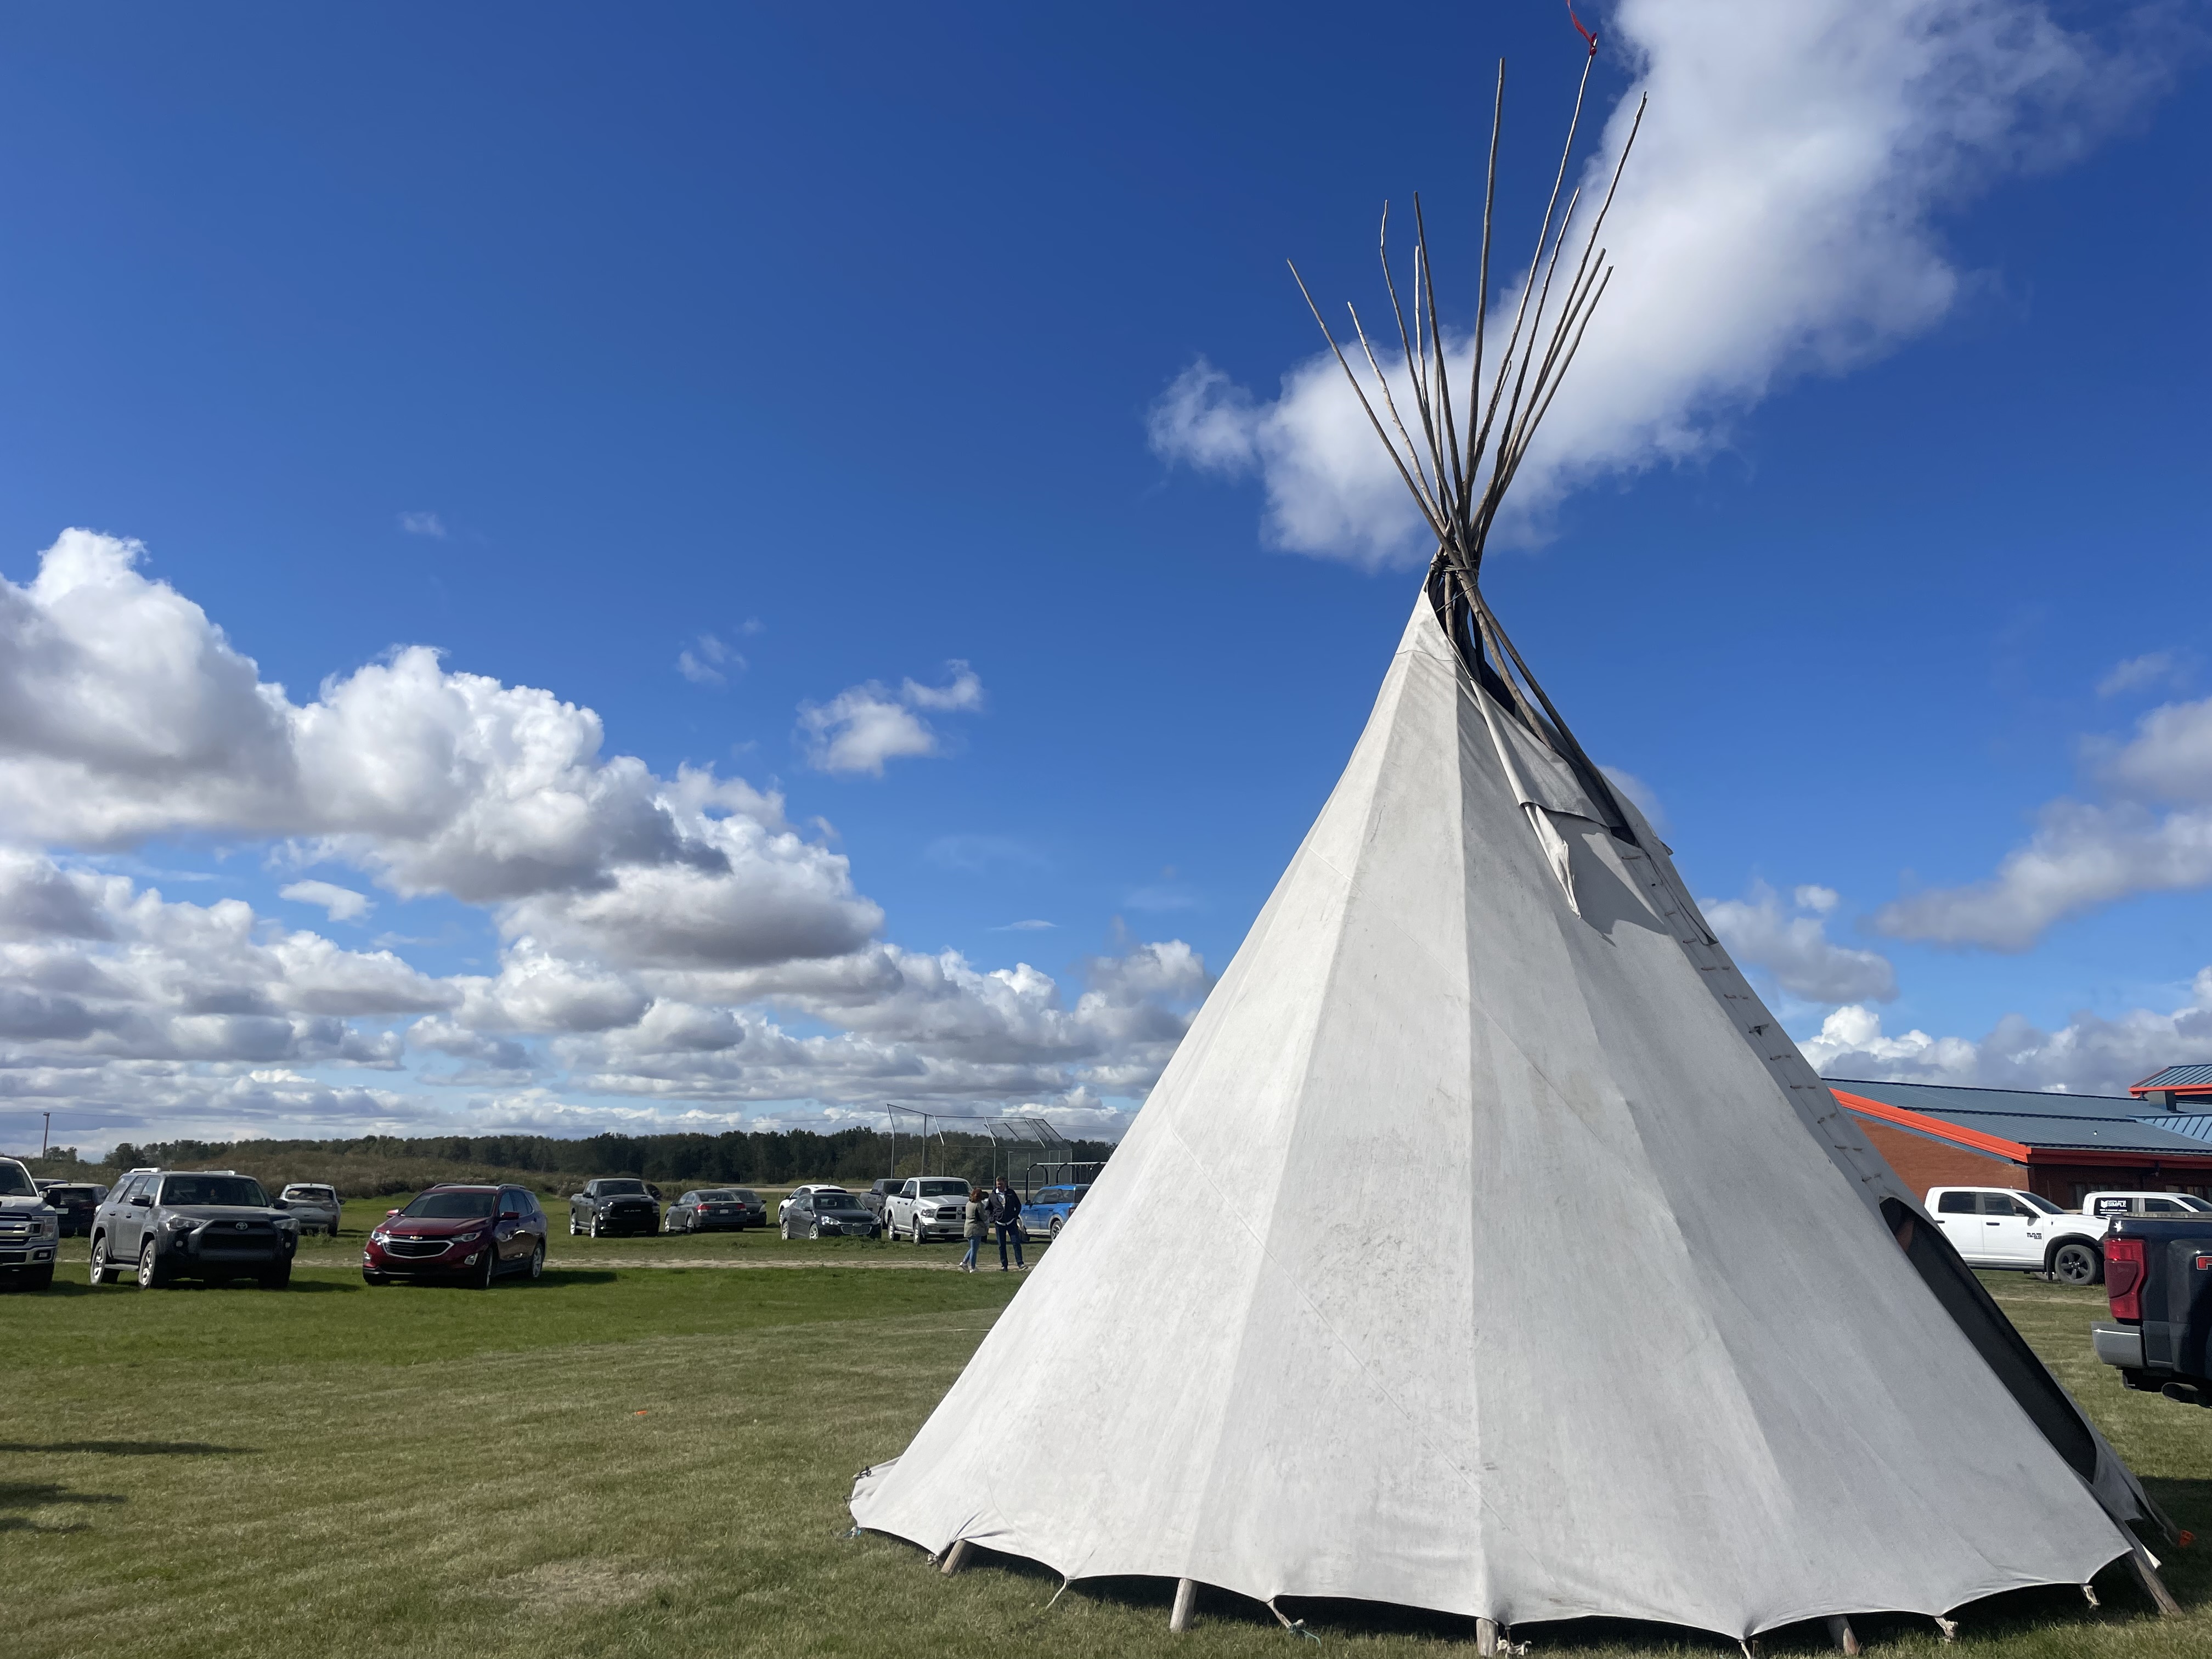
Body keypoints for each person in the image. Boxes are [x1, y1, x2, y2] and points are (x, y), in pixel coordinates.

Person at [988, 1176, 1025, 1272]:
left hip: (1011, 1222)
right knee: (1002, 1245)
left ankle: (1020, 1263)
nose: (999, 1186)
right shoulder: (993, 1195)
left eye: (1001, 1184)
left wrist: (1014, 1216)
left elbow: (1018, 1205)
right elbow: (989, 1209)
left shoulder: (1011, 1193)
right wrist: (993, 1218)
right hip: (999, 1223)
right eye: (998, 1184)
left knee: (1016, 1242)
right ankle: (1004, 1265)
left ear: (1005, 1184)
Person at [958, 1185, 985, 1272]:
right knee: (974, 1249)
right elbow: (983, 1217)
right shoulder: (979, 1205)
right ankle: (973, 1267)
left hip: (968, 1226)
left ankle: (964, 1262)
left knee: (973, 1247)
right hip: (975, 1228)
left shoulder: (969, 1204)